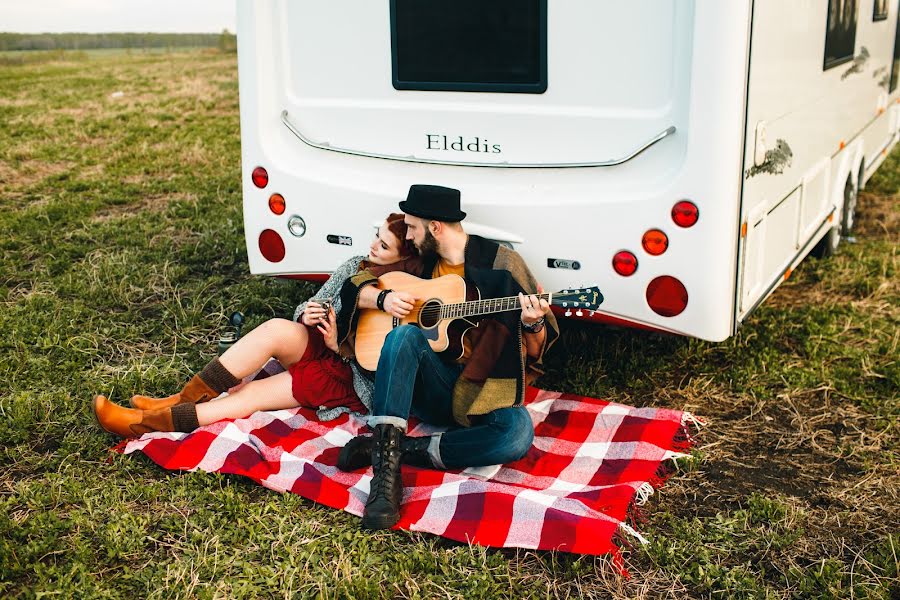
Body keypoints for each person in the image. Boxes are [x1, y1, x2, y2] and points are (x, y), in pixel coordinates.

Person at [336, 185, 559, 530]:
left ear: (435, 227)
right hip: (431, 386)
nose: (407, 235)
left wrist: (532, 324)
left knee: (517, 434)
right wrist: (383, 301)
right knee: (404, 334)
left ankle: (394, 447)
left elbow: (536, 351)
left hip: (483, 391)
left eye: (412, 226)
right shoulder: (419, 261)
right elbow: (357, 279)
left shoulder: (502, 264)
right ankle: (385, 482)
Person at [93, 213, 419, 438]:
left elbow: (381, 375)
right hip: (318, 342)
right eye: (377, 236)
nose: (374, 245)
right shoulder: (356, 264)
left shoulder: (409, 295)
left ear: (404, 258)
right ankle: (181, 399)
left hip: (344, 374)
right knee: (276, 328)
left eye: (385, 245)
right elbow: (311, 303)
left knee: (248, 395)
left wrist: (338, 346)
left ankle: (143, 424)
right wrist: (309, 314)